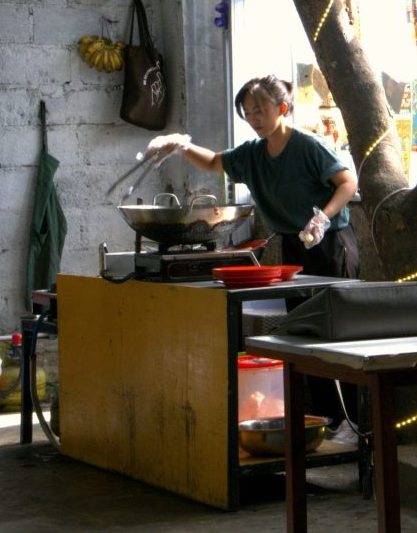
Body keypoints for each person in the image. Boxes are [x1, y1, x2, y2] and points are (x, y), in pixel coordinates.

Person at [147, 75, 361, 429]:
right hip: (296, 245)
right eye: (248, 112)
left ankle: (352, 424)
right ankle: (327, 419)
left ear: (282, 108)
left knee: (338, 334)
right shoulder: (253, 154)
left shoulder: (308, 145)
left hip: (331, 243)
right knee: (307, 334)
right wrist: (181, 146)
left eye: (260, 110)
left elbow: (347, 182)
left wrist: (323, 216)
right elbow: (215, 161)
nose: (254, 118)